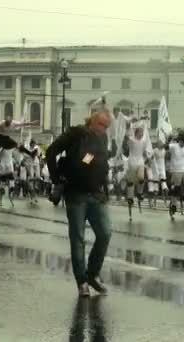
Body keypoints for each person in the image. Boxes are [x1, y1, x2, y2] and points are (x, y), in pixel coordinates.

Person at [46, 110, 112, 297]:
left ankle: (92, 274)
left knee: (105, 233)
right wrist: (56, 180)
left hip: (96, 194)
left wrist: (105, 189)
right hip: (75, 194)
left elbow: (101, 163)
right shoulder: (76, 134)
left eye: (106, 126)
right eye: (101, 125)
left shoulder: (103, 138)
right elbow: (51, 152)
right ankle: (82, 281)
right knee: (78, 240)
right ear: (92, 121)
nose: (103, 129)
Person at [167, 136, 184, 219]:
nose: (183, 143)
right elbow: (167, 147)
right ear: (179, 141)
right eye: (181, 142)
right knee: (175, 190)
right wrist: (166, 140)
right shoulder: (173, 146)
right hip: (176, 170)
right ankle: (173, 206)